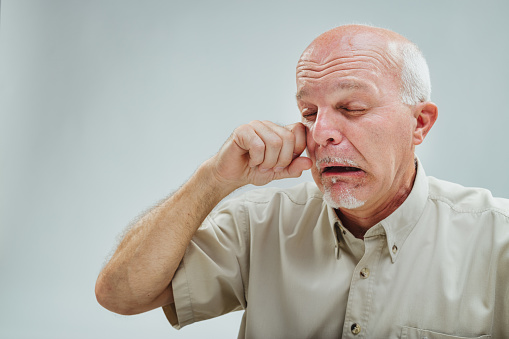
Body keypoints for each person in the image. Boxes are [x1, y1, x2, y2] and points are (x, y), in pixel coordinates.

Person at [95, 25, 509, 338]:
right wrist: (213, 180)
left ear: (419, 123)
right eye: (309, 112)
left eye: (352, 107)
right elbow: (120, 295)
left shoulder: (497, 240)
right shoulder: (260, 224)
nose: (321, 132)